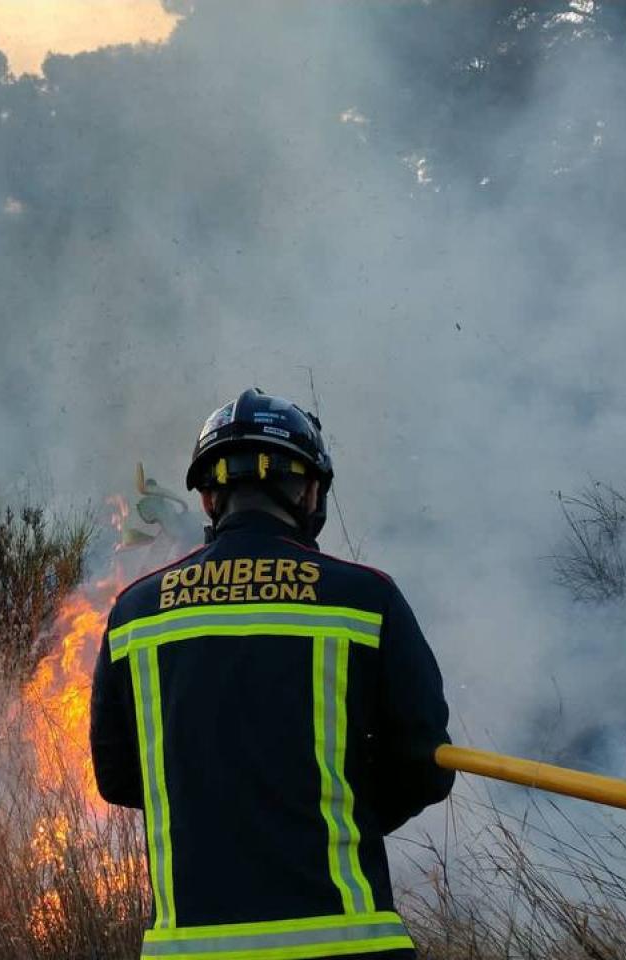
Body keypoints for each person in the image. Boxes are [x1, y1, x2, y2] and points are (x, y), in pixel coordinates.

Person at [89, 388, 455, 960]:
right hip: (347, 948)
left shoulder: (135, 612)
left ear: (209, 497)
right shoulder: (366, 599)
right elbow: (426, 768)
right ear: (311, 490)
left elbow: (117, 777)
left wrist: (218, 806)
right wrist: (329, 811)